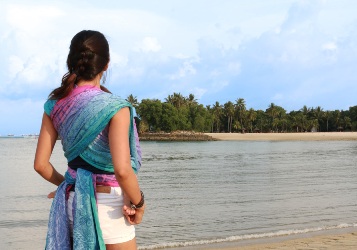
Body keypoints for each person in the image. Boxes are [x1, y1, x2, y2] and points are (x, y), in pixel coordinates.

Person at [34, 30, 145, 250]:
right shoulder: (116, 107)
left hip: (72, 203)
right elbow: (122, 170)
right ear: (106, 65)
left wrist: (70, 185)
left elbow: (40, 165)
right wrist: (139, 203)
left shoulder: (54, 105)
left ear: (72, 62)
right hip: (110, 207)